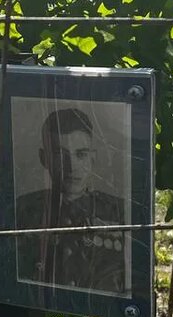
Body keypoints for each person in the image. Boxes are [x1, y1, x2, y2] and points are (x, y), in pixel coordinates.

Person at [14, 107, 129, 295]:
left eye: (81, 154)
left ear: (93, 158)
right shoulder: (24, 209)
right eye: (61, 155)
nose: (71, 166)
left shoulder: (117, 210)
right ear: (45, 159)